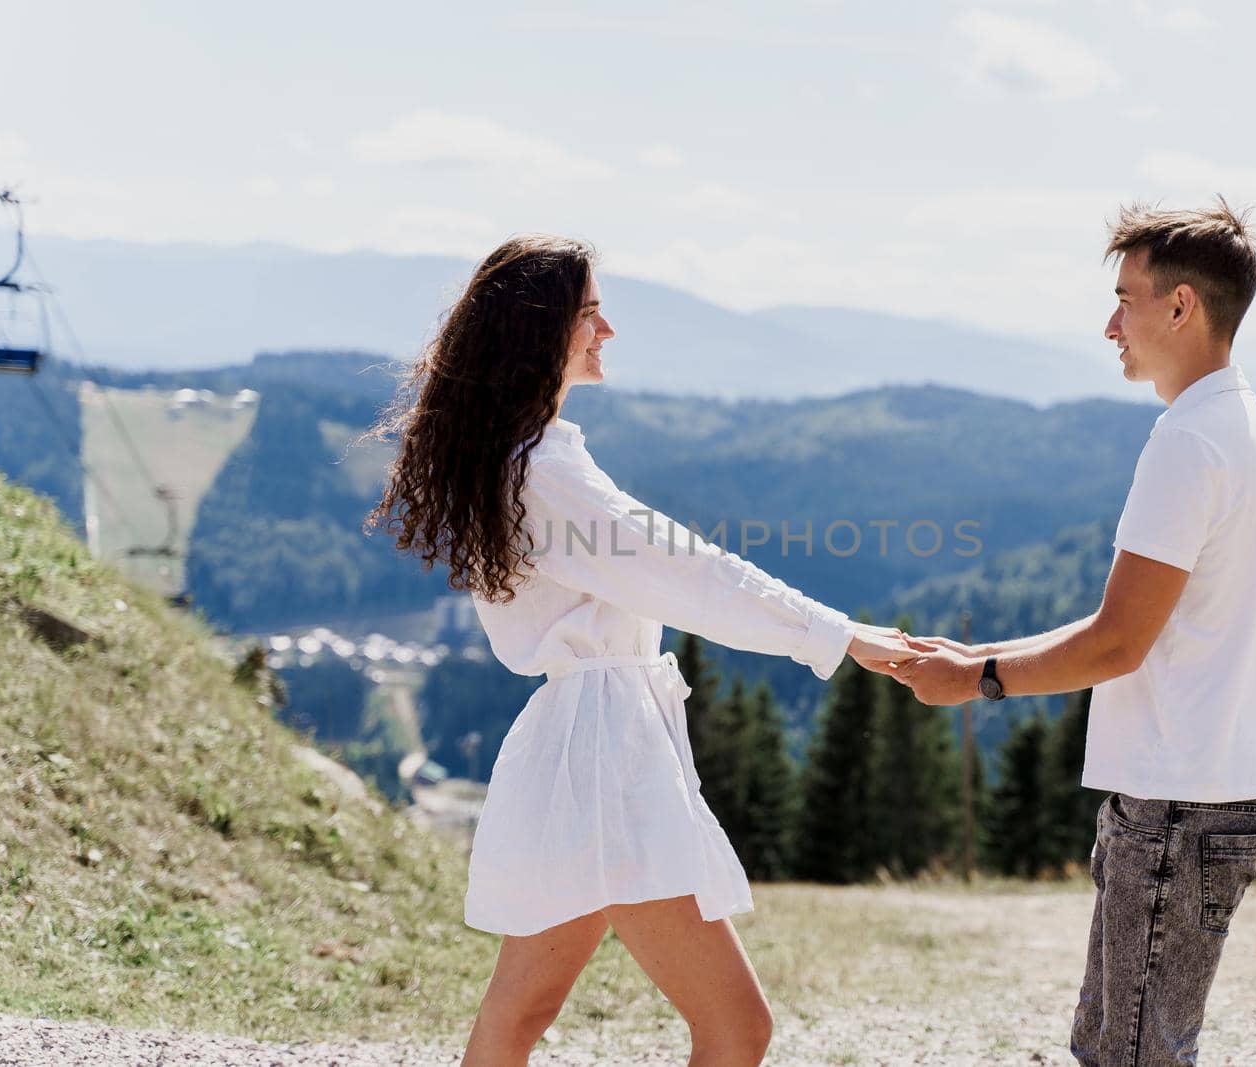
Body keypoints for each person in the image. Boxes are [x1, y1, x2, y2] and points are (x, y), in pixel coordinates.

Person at [363, 233, 914, 1067]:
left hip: (584, 747)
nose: (608, 330)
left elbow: (676, 569)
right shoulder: (545, 471)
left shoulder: (521, 458)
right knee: (734, 1027)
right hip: (603, 757)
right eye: (589, 313)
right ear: (539, 331)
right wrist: (836, 636)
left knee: (520, 1018)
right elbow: (690, 571)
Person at [883, 199, 1256, 1066]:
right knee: (1118, 1045)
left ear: (1180, 306)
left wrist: (981, 679)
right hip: (1201, 793)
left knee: (1135, 1054)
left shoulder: (1189, 441)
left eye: (1127, 298)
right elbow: (1138, 621)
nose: (1110, 323)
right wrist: (981, 656)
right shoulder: (1244, 429)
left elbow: (1120, 644)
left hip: (1177, 804)